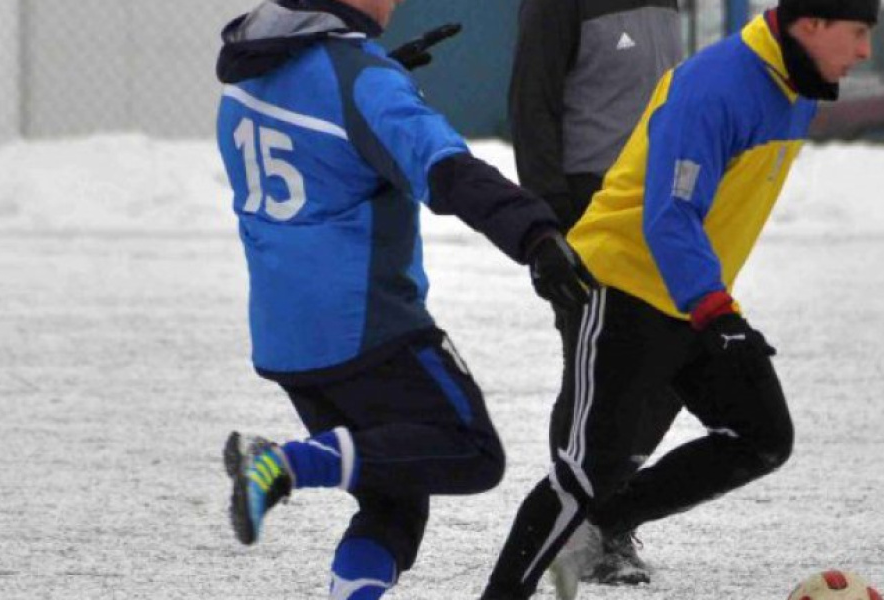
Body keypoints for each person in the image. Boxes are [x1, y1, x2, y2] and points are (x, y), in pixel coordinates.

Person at [480, 0, 878, 598]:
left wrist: (711, 302)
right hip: (622, 286)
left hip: (689, 293)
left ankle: (605, 523)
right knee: (591, 469)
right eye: (859, 33)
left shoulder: (797, 85)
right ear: (812, 25)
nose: (866, 51)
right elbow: (670, 216)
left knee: (762, 436)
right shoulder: (716, 86)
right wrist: (714, 308)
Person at [213, 1, 596, 598]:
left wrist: (376, 81)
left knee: (395, 496)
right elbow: (447, 170)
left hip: (285, 335)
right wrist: (536, 235)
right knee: (471, 451)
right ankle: (284, 462)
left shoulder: (250, 72)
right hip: (366, 327)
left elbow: (316, 134)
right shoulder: (361, 81)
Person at [508, 0, 685, 587]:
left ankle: (605, 513)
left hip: (664, 206)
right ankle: (581, 530)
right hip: (590, 205)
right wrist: (547, 221)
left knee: (676, 372)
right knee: (598, 380)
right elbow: (531, 102)